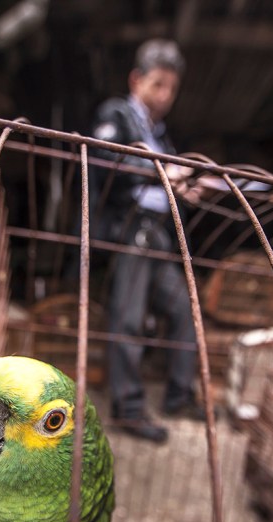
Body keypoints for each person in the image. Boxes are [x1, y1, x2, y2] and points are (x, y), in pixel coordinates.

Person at [90, 39, 205, 443]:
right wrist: (158, 171)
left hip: (158, 233)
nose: (164, 96)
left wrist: (185, 187)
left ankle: (178, 394)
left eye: (171, 88)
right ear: (136, 80)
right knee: (129, 319)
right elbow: (109, 159)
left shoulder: (160, 135)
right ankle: (129, 408)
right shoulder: (117, 116)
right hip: (130, 230)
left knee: (185, 311)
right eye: (157, 85)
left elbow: (168, 177)